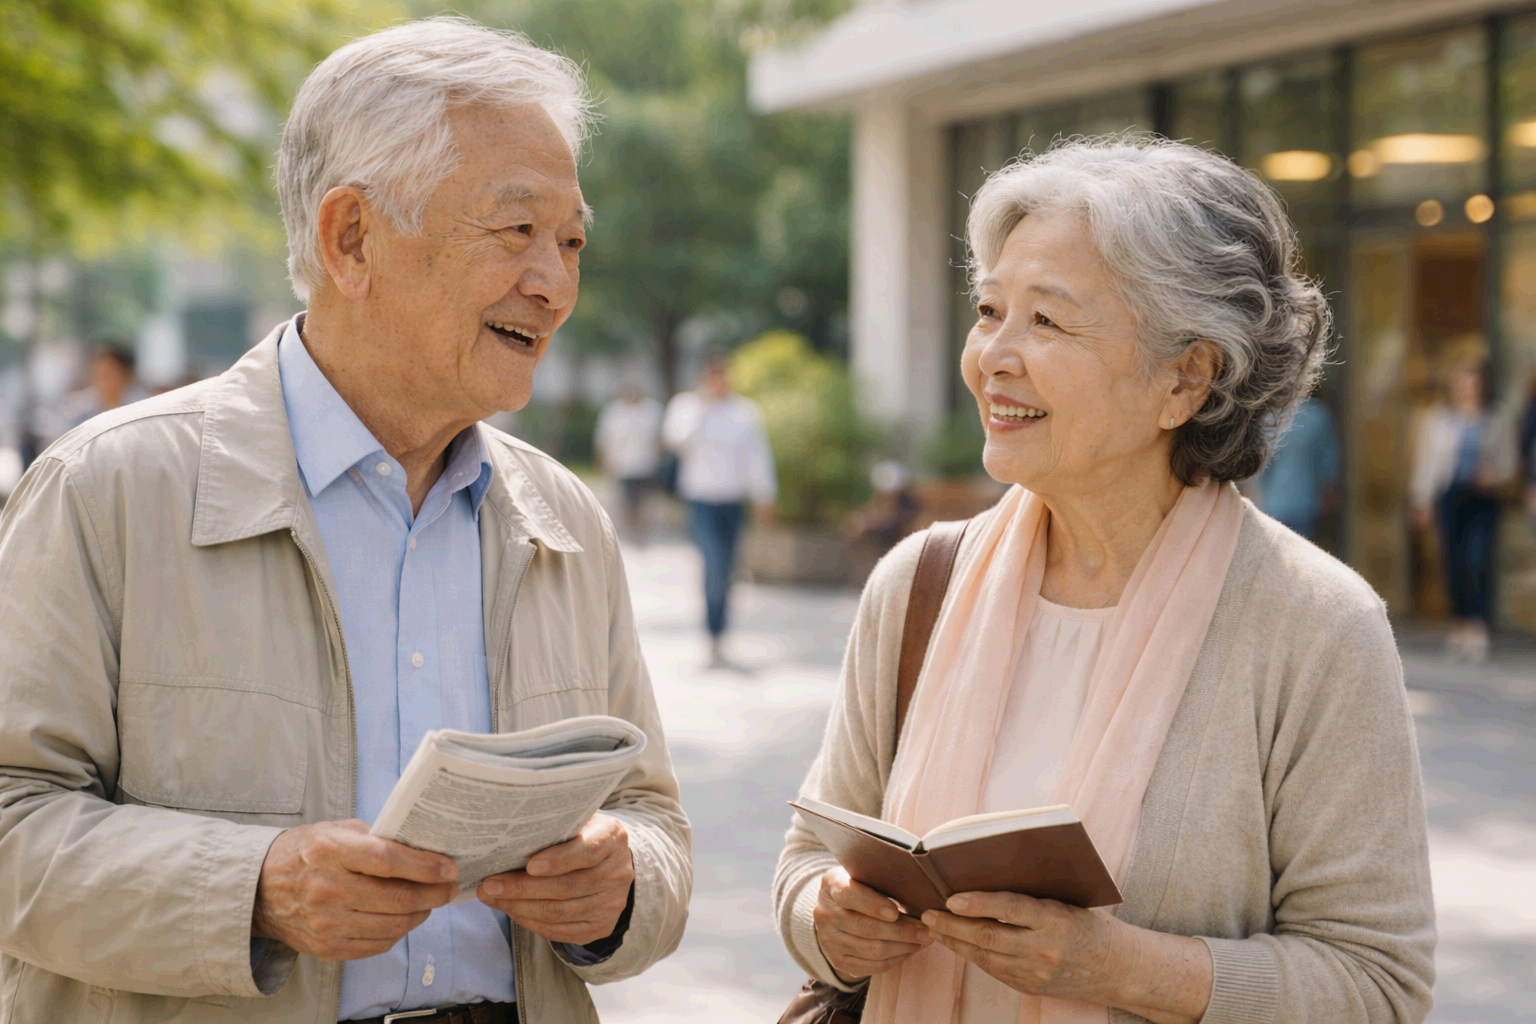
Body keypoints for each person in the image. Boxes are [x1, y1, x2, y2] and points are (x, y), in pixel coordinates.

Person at [0, 19, 691, 1024]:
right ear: (351, 238)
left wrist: (619, 889)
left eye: (572, 239)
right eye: (516, 231)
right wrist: (253, 887)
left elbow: (651, 816)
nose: (556, 282)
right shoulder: (105, 491)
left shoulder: (564, 520)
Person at [774, 137, 1434, 1024]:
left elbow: (1378, 983)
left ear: (1187, 378)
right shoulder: (917, 583)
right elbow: (811, 854)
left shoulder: (1314, 624)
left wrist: (1120, 969)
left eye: (1046, 322)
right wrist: (829, 919)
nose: (992, 357)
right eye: (989, 310)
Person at [662, 350, 777, 665]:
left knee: (727, 568)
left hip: (732, 501)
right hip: (701, 500)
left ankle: (722, 631)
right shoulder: (687, 407)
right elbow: (675, 440)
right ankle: (712, 633)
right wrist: (704, 407)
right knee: (712, 564)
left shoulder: (744, 412)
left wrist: (764, 494)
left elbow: (757, 455)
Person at [1410, 352, 1513, 663]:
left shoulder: (1496, 419)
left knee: (1478, 561)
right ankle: (1458, 624)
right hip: (1449, 497)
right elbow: (1426, 464)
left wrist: (1495, 476)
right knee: (1453, 563)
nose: (1468, 386)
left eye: (1473, 381)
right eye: (1462, 380)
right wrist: (1421, 500)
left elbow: (1509, 462)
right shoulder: (1438, 420)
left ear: (1482, 385)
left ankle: (1478, 627)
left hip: (1483, 499)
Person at [1254, 395, 1339, 542]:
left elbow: (1257, 465)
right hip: (1306, 504)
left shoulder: (1267, 417)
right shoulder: (1318, 415)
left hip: (1271, 504)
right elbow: (1328, 466)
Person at [595, 380, 664, 542]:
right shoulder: (613, 411)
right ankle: (631, 527)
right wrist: (601, 460)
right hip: (622, 464)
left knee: (644, 498)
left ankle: (642, 527)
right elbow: (604, 438)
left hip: (647, 463)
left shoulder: (652, 410)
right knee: (626, 498)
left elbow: (660, 438)